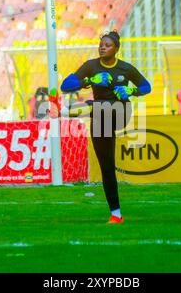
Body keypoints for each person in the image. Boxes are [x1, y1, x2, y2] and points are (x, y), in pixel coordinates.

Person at [60, 31, 151, 224]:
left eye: (107, 45)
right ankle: (116, 214)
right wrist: (90, 81)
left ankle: (64, 111)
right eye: (101, 44)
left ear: (116, 49)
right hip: (100, 118)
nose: (102, 47)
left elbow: (146, 87)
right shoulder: (91, 66)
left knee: (96, 105)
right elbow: (66, 85)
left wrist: (131, 90)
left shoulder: (126, 69)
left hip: (120, 112)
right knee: (107, 167)